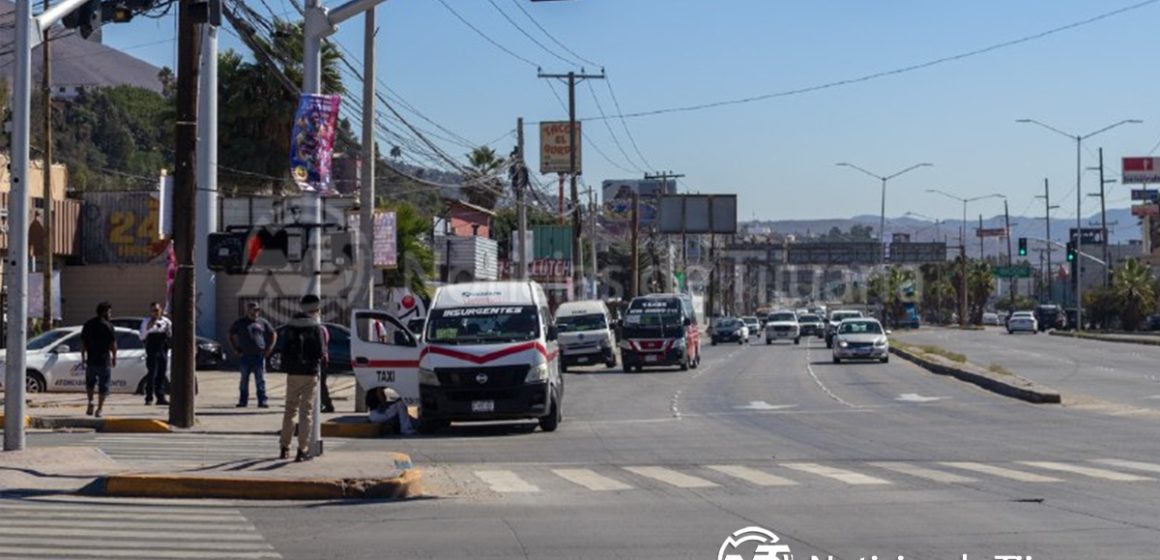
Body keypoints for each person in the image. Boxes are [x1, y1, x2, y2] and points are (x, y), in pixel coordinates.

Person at [279, 295, 327, 461]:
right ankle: (302, 450)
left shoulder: (290, 324)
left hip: (293, 373)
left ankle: (284, 448)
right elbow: (320, 352)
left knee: (289, 410)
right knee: (305, 413)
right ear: (315, 309)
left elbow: (283, 347)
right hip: (309, 374)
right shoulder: (315, 326)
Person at [229, 302, 276, 408]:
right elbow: (230, 334)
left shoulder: (262, 322)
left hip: (259, 356)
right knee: (244, 380)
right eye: (254, 309)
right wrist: (235, 349)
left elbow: (273, 333)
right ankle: (243, 401)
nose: (256, 312)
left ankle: (262, 401)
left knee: (261, 380)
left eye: (258, 310)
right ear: (248, 310)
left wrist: (269, 348)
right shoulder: (241, 322)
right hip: (245, 356)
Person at [80, 302, 117, 418]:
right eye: (109, 312)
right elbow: (113, 344)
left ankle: (91, 401)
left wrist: (83, 357)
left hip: (91, 360)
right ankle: (99, 409)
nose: (110, 315)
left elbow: (83, 343)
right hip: (104, 360)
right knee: (104, 385)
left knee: (90, 383)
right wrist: (114, 357)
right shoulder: (109, 326)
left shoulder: (88, 324)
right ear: (104, 312)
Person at [138, 302, 172, 406]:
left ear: (160, 310)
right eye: (153, 311)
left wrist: (168, 332)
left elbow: (170, 334)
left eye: (157, 310)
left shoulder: (166, 321)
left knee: (161, 374)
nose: (155, 313)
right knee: (152, 373)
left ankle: (160, 397)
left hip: (162, 348)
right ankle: (149, 397)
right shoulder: (146, 321)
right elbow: (142, 337)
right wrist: (150, 326)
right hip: (152, 349)